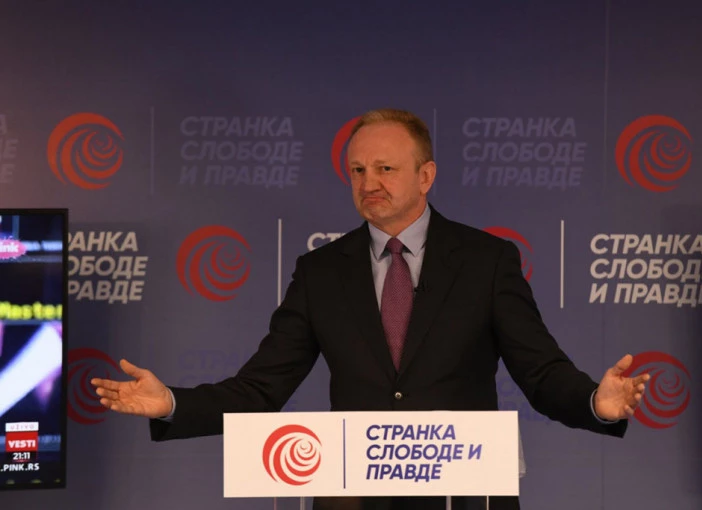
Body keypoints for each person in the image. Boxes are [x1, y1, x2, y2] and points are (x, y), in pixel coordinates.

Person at [92, 108, 649, 510]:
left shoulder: (487, 260)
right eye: (358, 170)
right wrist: (172, 403)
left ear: (425, 176)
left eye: (386, 168)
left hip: (462, 497)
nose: (369, 182)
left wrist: (595, 403)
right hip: (353, 499)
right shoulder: (320, 272)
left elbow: (540, 371)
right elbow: (260, 389)